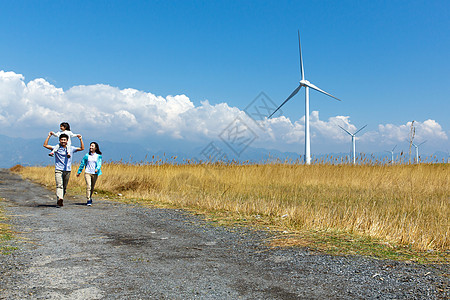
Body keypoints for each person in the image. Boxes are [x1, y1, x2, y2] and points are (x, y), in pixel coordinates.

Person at [43, 132, 84, 207]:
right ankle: (60, 198)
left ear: (67, 140)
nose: (63, 141)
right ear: (59, 140)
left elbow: (82, 148)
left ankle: (60, 200)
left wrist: (80, 139)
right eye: (62, 140)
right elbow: (45, 145)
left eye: (64, 140)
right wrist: (49, 136)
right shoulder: (56, 148)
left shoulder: (71, 148)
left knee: (64, 187)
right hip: (58, 169)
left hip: (67, 170)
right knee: (59, 185)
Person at [77, 142, 103, 206]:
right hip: (87, 172)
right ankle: (88, 199)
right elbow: (82, 163)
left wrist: (97, 168)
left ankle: (90, 197)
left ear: (96, 148)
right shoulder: (86, 156)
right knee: (88, 186)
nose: (91, 147)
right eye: (90, 146)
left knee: (92, 187)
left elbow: (99, 164)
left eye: (92, 146)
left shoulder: (98, 156)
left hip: (95, 173)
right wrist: (79, 172)